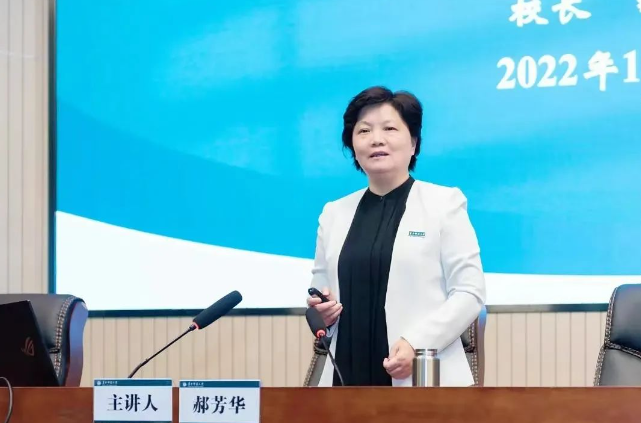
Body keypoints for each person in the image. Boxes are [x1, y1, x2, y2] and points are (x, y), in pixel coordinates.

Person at [307, 86, 486, 387]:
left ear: (413, 143)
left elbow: (470, 293)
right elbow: (319, 296)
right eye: (364, 130)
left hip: (421, 375)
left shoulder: (444, 204)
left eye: (389, 128)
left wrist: (417, 342)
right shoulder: (333, 214)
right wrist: (322, 314)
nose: (376, 139)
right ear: (352, 145)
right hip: (345, 378)